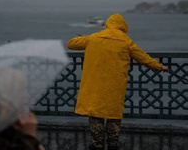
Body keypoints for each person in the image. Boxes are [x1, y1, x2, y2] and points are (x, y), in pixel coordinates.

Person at [67, 13, 169, 150]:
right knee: (113, 116)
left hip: (94, 85)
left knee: (96, 115)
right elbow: (144, 58)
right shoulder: (126, 41)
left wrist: (80, 37)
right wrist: (160, 67)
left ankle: (97, 145)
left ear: (108, 24)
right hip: (114, 87)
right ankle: (113, 145)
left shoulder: (93, 38)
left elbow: (71, 44)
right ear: (122, 26)